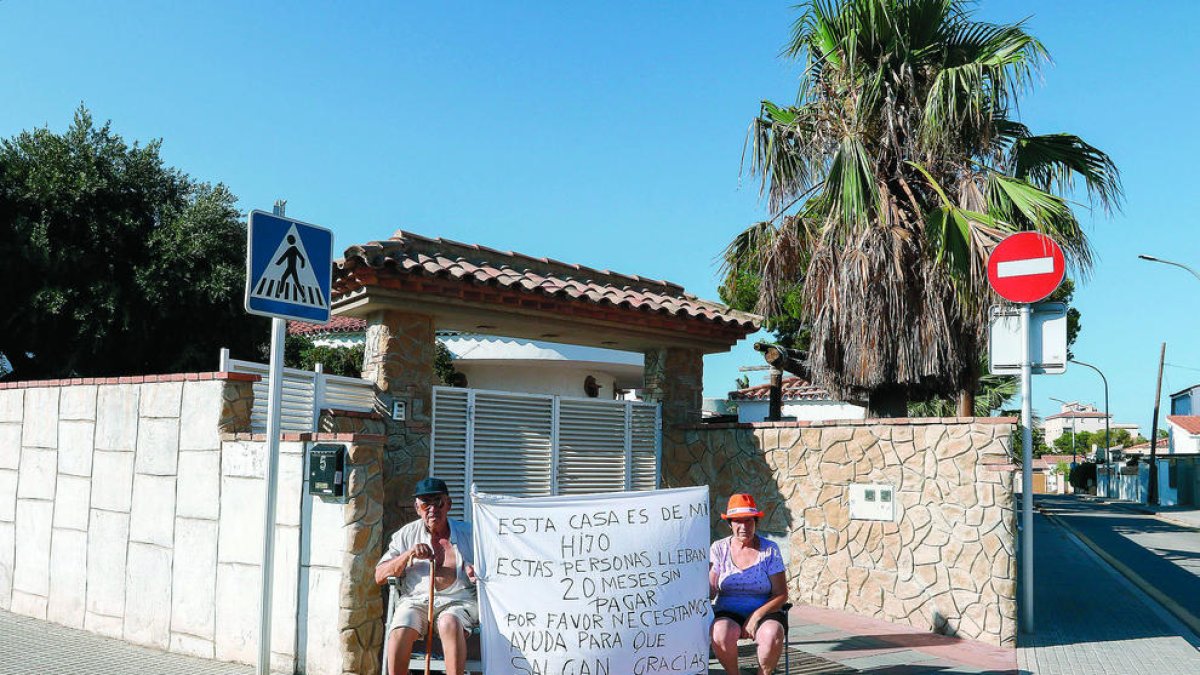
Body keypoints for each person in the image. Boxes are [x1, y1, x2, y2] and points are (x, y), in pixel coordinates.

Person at [375, 477, 477, 675]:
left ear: (448, 504)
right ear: (417, 507)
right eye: (425, 503)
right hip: (416, 602)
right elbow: (379, 575)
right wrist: (408, 555)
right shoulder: (406, 534)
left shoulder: (469, 534)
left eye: (438, 501)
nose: (432, 508)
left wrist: (476, 572)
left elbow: (493, 569)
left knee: (449, 623)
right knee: (400, 628)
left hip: (457, 602)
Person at [709, 493, 788, 675]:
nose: (743, 526)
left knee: (772, 633)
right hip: (727, 610)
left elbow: (781, 594)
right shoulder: (719, 548)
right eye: (737, 521)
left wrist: (755, 617)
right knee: (720, 631)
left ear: (755, 523)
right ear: (730, 524)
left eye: (748, 521)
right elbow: (712, 589)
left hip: (765, 610)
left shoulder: (769, 549)